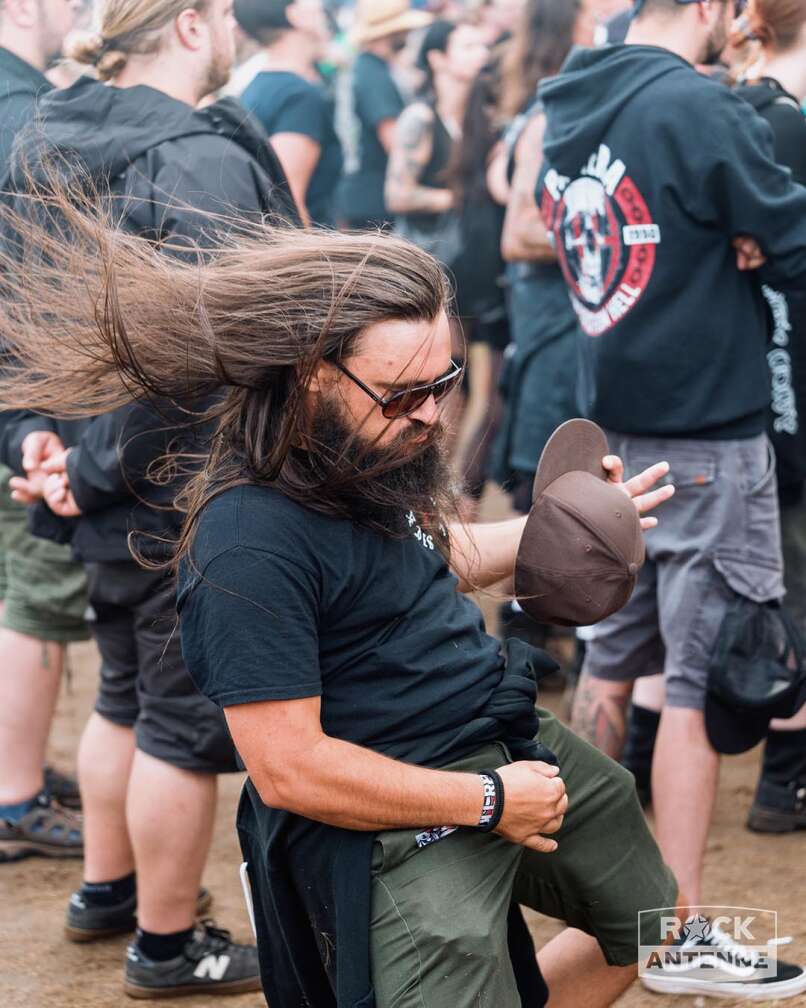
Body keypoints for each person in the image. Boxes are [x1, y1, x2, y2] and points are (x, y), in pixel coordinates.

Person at [0, 188, 685, 1008]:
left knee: (654, 922)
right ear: (314, 374)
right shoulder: (245, 540)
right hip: (400, 809)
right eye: (404, 395)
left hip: (504, 735)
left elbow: (426, 561)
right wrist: (489, 801)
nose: (433, 417)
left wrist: (569, 527)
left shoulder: (367, 450)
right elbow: (291, 770)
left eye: (447, 382)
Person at [0, 0, 298, 996]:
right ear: (185, 25)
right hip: (171, 491)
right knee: (178, 725)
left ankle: (106, 890)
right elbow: (199, 367)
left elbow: (22, 319)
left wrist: (36, 441)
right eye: (218, 12)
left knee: (124, 695)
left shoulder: (45, 132)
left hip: (93, 475)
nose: (230, 32)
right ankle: (169, 945)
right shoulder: (196, 158)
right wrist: (67, 460)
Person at [537, 0, 806, 998]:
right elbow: (791, 237)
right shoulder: (694, 107)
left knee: (611, 659)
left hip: (612, 425)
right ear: (708, 7)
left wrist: (739, 232)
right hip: (708, 431)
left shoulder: (567, 94)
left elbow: (552, 220)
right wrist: (748, 234)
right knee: (693, 680)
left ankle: (581, 889)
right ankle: (678, 927)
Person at [0, 0, 87, 864]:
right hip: (20, 398)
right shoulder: (25, 117)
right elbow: (42, 294)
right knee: (36, 600)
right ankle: (15, 796)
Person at [733, 0, 806, 836]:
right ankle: (782, 783)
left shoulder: (741, 108)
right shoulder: (777, 123)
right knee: (792, 582)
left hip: (758, 383)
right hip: (781, 382)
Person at [235, 0, 344, 227]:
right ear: (295, 15)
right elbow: (289, 202)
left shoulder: (256, 87)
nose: (322, 9)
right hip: (306, 250)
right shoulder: (299, 97)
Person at [338, 0, 432, 229]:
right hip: (372, 200)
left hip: (365, 195)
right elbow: (393, 140)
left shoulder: (370, 68)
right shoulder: (373, 74)